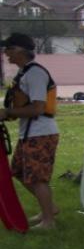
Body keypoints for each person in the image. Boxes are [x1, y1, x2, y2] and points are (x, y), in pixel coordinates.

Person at [0, 32, 59, 230]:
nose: (6, 53)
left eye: (9, 49)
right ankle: (49, 208)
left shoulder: (35, 74)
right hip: (29, 133)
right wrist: (9, 114)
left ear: (20, 50)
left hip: (41, 133)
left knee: (36, 177)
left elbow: (37, 108)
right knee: (17, 171)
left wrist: (7, 111)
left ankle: (48, 221)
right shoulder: (23, 73)